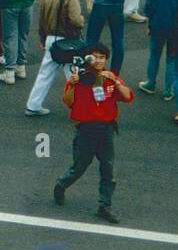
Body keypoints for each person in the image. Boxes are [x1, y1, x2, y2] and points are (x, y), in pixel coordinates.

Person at [53, 42, 133, 222]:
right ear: (88, 59)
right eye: (94, 57)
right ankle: (61, 184)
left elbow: (127, 96)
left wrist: (114, 81)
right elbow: (67, 101)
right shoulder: (80, 78)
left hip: (106, 131)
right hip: (86, 131)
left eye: (102, 57)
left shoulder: (110, 77)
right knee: (79, 166)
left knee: (108, 169)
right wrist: (72, 85)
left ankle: (105, 205)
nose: (98, 61)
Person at [25, 0, 85, 116]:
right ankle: (81, 107)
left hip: (51, 39)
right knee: (73, 74)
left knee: (44, 74)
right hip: (68, 41)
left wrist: (43, 39)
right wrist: (82, 19)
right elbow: (77, 21)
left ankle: (33, 105)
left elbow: (42, 21)